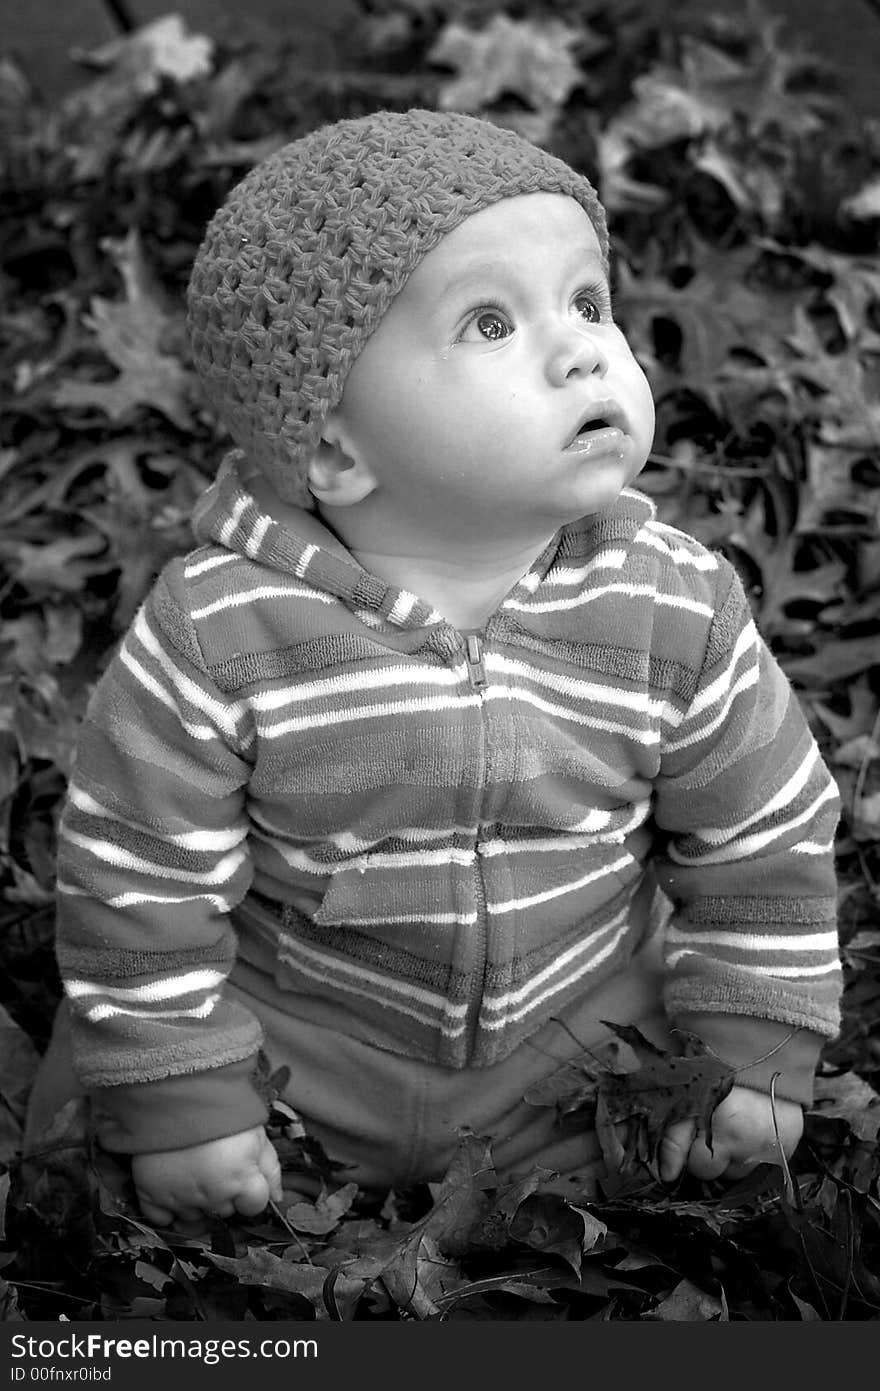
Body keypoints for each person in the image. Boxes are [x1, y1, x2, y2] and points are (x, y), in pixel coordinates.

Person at [35, 108, 842, 1226]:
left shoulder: (672, 601)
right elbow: (141, 875)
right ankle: (189, 1114)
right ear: (332, 447)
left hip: (575, 1030)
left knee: (671, 1168)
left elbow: (761, 832)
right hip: (303, 1042)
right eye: (489, 321)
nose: (581, 348)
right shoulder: (222, 633)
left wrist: (751, 1047)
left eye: (587, 301)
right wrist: (188, 1093)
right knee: (102, 1125)